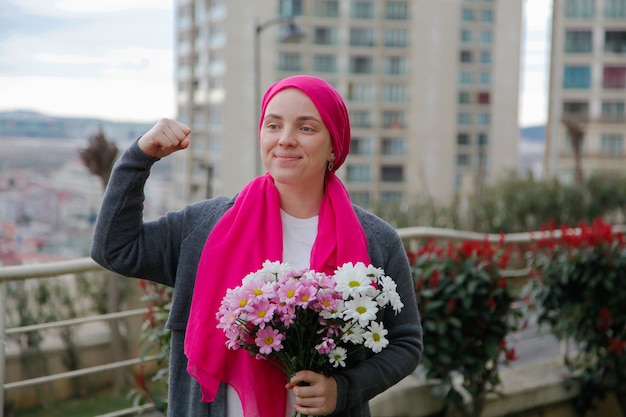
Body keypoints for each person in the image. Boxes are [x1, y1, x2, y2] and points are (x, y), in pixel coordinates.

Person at [91, 74, 423, 417]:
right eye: (273, 125)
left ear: (334, 146)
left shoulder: (377, 240)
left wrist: (343, 389)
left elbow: (406, 343)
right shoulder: (206, 227)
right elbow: (114, 248)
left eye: (306, 128)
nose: (285, 140)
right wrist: (139, 158)